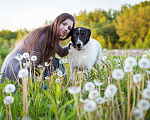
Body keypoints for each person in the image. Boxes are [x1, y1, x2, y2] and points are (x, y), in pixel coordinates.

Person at [0, 13, 75, 85]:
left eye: (69, 28)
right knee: (42, 88)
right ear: (57, 22)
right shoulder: (44, 36)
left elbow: (62, 52)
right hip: (17, 66)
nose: (65, 29)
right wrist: (38, 81)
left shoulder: (52, 37)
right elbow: (32, 64)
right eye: (64, 24)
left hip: (28, 65)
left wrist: (77, 41)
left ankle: (63, 85)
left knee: (57, 63)